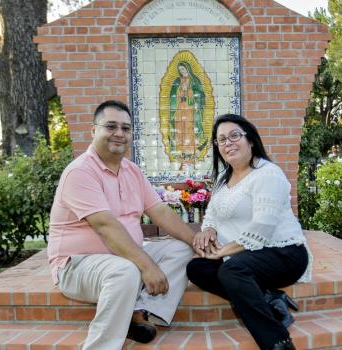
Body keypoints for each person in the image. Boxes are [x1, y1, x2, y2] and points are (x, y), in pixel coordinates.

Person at [47, 100, 200, 349]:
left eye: (126, 128)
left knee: (181, 249)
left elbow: (160, 211)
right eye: (111, 126)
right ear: (93, 131)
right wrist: (147, 265)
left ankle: (139, 312)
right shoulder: (80, 172)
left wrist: (196, 241)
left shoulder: (132, 171)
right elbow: (105, 226)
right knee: (125, 271)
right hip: (78, 265)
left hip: (122, 257)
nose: (119, 133)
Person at [186, 114, 311, 350]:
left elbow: (261, 228)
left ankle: (278, 342)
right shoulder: (224, 177)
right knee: (197, 268)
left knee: (231, 269)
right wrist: (208, 229)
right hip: (245, 256)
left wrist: (222, 251)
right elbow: (212, 213)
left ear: (250, 140)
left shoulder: (268, 173)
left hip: (284, 254)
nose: (228, 143)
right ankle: (270, 298)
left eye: (234, 136)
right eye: (221, 139)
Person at [169, 61, 205, 166]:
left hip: (191, 110)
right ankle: (181, 154)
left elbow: (200, 97)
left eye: (183, 69)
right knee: (180, 130)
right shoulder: (178, 82)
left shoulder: (195, 81)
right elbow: (173, 98)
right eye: (180, 70)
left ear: (188, 69)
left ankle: (190, 154)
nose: (182, 72)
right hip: (180, 109)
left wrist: (189, 94)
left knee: (189, 129)